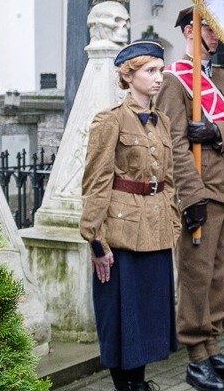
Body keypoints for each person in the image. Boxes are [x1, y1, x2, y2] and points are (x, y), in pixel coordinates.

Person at [155, 7, 224, 391]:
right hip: (201, 192)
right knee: (196, 278)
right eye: (207, 30)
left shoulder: (223, 77)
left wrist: (215, 130)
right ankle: (196, 355)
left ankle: (213, 346)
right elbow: (175, 146)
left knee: (220, 275)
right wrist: (191, 196)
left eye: (216, 31)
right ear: (187, 30)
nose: (215, 37)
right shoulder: (173, 81)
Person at [79, 40, 180, 391]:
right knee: (122, 318)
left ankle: (139, 382)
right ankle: (128, 386)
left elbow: (168, 180)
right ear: (128, 74)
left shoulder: (161, 121)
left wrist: (174, 222)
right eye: (150, 70)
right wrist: (95, 239)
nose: (159, 77)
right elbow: (96, 181)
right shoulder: (109, 121)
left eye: (161, 70)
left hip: (156, 230)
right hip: (120, 234)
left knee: (149, 316)